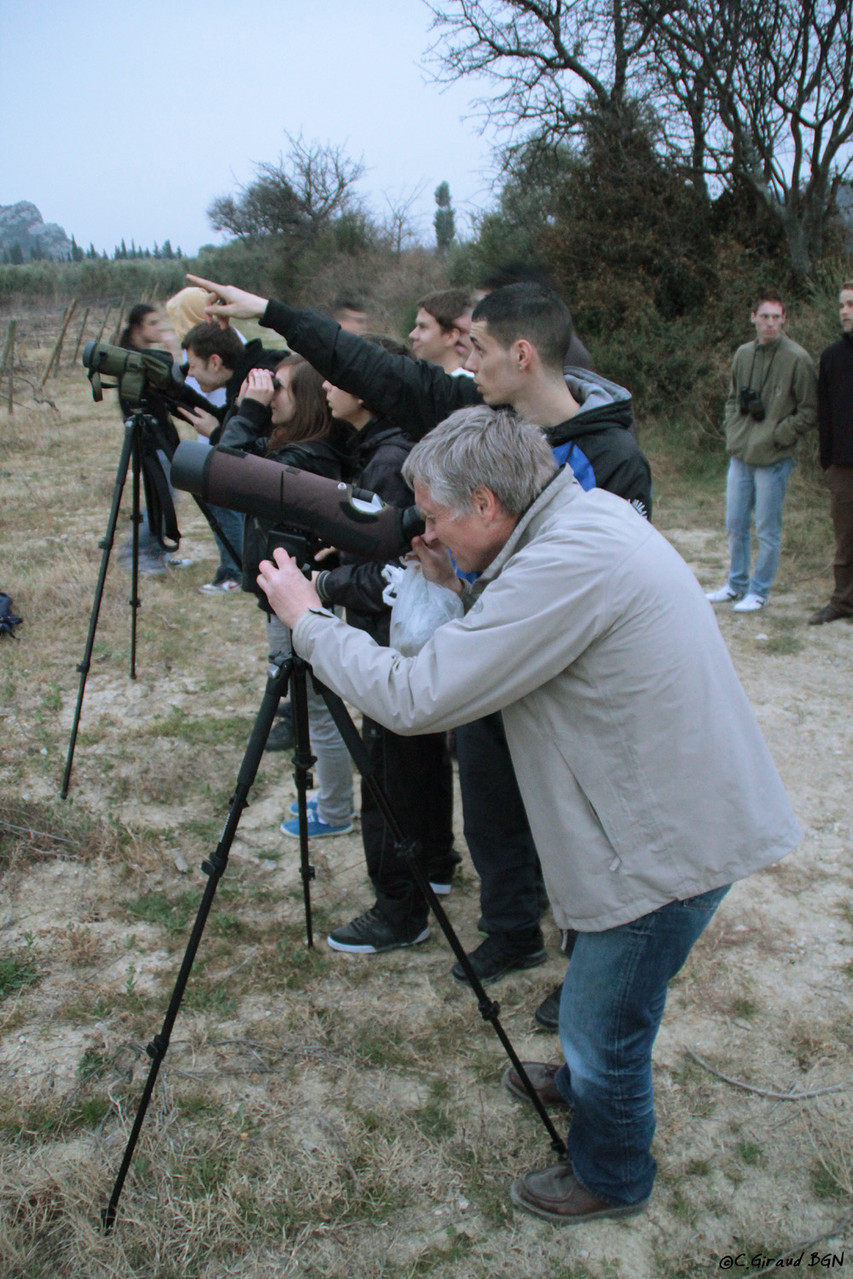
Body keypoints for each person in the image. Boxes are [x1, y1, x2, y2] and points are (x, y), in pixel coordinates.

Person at [257, 406, 800, 1227]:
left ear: (485, 504)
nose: (423, 531)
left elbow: (416, 696)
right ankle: (582, 1078)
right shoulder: (584, 517)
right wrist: (454, 580)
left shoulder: (563, 562)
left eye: (434, 516)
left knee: (606, 1020)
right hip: (677, 812)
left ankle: (613, 1173)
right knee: (602, 992)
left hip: (665, 846)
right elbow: (528, 608)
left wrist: (307, 622)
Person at [184, 272, 651, 1001]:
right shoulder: (480, 411)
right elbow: (374, 370)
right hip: (487, 631)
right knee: (491, 792)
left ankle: (588, 964)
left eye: (479, 347)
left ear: (522, 354)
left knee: (573, 820)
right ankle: (511, 928)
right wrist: (273, 316)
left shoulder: (610, 455)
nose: (465, 360)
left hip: (560, 667)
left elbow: (604, 587)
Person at [305, 335, 458, 952]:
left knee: (392, 769)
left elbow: (393, 572)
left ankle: (399, 906)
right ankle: (436, 864)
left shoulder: (391, 458)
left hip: (392, 639)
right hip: (404, 637)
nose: (325, 386)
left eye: (337, 376)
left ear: (366, 391)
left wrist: (320, 583)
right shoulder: (385, 448)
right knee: (417, 759)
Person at [216, 355, 355, 829]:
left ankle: (336, 810)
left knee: (320, 709)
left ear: (309, 402)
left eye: (281, 388)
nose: (270, 394)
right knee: (314, 707)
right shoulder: (298, 451)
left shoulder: (304, 459)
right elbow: (237, 458)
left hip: (300, 599)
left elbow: (223, 476)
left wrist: (249, 412)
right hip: (290, 594)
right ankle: (332, 801)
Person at [706, 290, 817, 612]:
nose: (770, 323)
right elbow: (731, 398)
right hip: (741, 454)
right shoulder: (743, 354)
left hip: (773, 458)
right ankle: (735, 584)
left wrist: (780, 434)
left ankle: (759, 590)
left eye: (776, 317)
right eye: (764, 316)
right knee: (735, 523)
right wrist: (733, 428)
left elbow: (810, 410)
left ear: (784, 320)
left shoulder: (798, 359)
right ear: (753, 317)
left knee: (767, 528)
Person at [166, 287, 246, 594]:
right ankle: (233, 567)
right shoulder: (208, 343)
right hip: (214, 439)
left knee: (227, 511)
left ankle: (236, 572)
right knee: (224, 510)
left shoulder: (213, 348)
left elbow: (198, 392)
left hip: (222, 442)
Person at [117, 304, 193, 577]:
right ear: (138, 327)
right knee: (162, 498)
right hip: (151, 439)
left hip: (161, 435)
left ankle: (156, 553)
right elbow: (170, 382)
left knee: (164, 497)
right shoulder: (135, 360)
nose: (158, 329)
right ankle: (136, 552)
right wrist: (174, 350)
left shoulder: (141, 356)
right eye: (152, 323)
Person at [809, 281, 853, 626]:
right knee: (845, 536)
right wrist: (827, 461)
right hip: (842, 464)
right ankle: (842, 601)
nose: (844, 311)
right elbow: (824, 413)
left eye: (851, 304)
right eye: (842, 305)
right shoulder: (831, 357)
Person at [408, 289, 473, 373]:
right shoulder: (422, 382)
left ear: (450, 336)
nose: (412, 335)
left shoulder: (472, 384)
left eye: (423, 327)